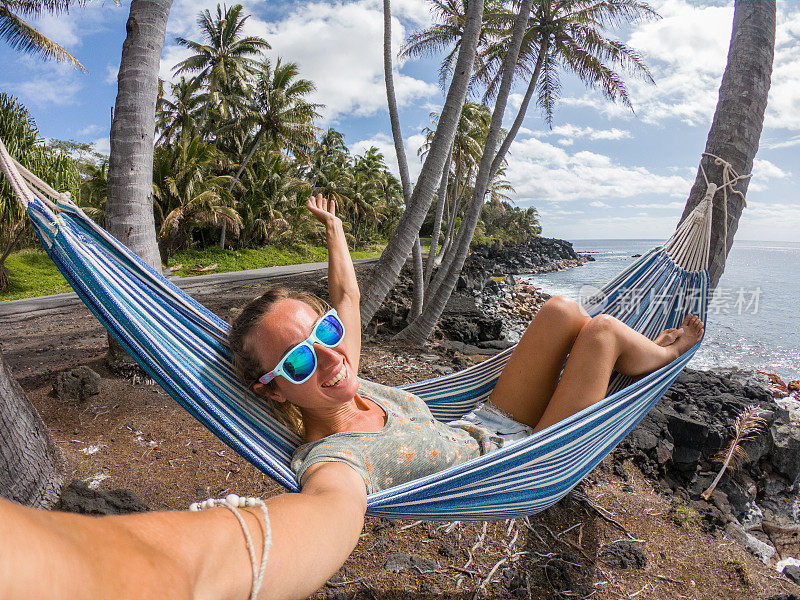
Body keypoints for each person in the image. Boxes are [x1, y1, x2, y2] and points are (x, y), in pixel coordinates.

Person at [229, 194, 704, 497]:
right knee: (602, 333)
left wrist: (334, 230)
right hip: (526, 460)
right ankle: (663, 355)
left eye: (326, 332)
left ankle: (636, 352)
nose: (330, 356)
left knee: (561, 309)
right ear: (271, 389)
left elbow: (348, 297)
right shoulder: (336, 458)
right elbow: (324, 510)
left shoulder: (338, 367)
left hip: (486, 422)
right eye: (297, 361)